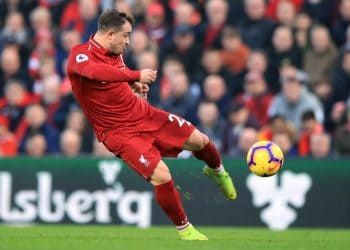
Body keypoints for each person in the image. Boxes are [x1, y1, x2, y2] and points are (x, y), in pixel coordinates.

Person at [67, 9, 236, 241]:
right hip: (119, 133)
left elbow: (113, 81)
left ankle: (217, 171)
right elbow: (95, 73)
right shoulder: (80, 55)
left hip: (145, 115)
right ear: (110, 34)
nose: (128, 41)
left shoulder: (116, 53)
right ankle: (185, 230)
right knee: (162, 176)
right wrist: (135, 76)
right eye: (125, 36)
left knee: (200, 141)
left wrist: (133, 87)